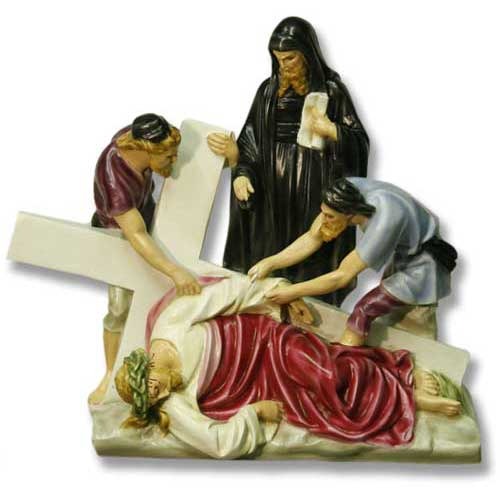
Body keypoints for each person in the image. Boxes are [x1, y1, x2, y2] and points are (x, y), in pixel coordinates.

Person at [114, 275, 461, 459]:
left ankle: (400, 377)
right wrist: (255, 412)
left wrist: (280, 294)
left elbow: (229, 295)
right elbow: (217, 442)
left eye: (154, 386)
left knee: (329, 372)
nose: (162, 394)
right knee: (328, 401)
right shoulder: (171, 406)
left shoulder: (171, 323)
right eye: (155, 398)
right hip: (263, 385)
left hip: (270, 342)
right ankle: (407, 400)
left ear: (148, 364)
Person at [207, 17, 369, 306]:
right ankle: (266, 302)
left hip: (314, 185)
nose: (284, 65)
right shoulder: (268, 92)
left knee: (314, 244)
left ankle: (309, 303)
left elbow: (359, 141)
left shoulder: (333, 92)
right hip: (272, 187)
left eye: (290, 58)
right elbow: (251, 141)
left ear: (307, 54)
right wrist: (242, 172)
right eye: (278, 58)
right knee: (270, 244)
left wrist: (332, 130)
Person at [249, 177, 458, 346]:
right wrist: (270, 262)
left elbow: (342, 276)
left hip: (423, 268)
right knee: (389, 318)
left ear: (349, 214)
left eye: (330, 217)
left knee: (366, 309)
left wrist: (292, 292)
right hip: (403, 256)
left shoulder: (384, 219)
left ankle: (346, 359)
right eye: (324, 213)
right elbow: (313, 237)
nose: (324, 219)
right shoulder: (345, 192)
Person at [89, 113, 201, 404]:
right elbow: (135, 234)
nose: (173, 161)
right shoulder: (113, 176)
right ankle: (110, 373)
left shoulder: (140, 135)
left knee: (160, 300)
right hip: (119, 236)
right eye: (168, 157)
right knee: (119, 308)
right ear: (147, 150)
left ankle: (158, 366)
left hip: (148, 223)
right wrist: (174, 270)